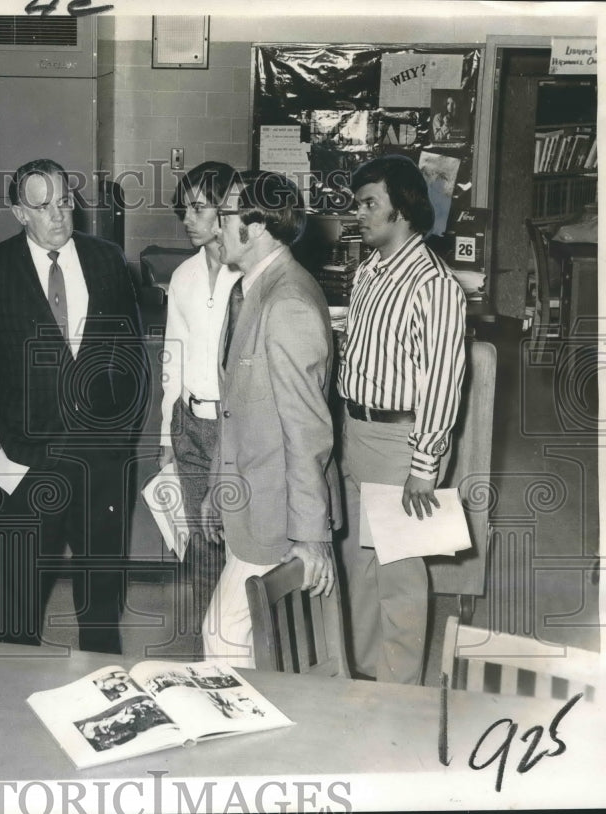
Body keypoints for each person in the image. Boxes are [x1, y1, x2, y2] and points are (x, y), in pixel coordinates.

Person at [0, 158, 149, 654]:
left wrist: (120, 437)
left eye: (64, 202)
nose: (58, 216)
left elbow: (132, 356)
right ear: (19, 213)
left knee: (102, 600)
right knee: (18, 600)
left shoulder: (106, 260)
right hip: (25, 457)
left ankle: (105, 695)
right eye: (42, 206)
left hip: (100, 460)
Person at [201, 171, 340, 668]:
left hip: (279, 509)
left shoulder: (286, 303)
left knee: (223, 635)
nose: (217, 228)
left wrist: (310, 535)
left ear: (256, 226)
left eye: (225, 217)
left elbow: (307, 433)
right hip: (253, 496)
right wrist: (220, 487)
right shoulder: (256, 290)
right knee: (245, 638)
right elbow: (237, 407)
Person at [337, 154, 466, 684]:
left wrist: (424, 465)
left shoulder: (432, 284)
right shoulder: (370, 270)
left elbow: (441, 381)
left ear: (404, 208)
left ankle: (400, 696)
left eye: (370, 204)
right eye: (357, 203)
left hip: (400, 441)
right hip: (357, 430)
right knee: (360, 566)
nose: (358, 214)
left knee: (399, 573)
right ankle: (369, 674)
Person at [158, 161, 242, 656]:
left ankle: (244, 658)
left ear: (227, 203)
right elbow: (174, 354)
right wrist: (166, 437)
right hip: (190, 426)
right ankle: (208, 663)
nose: (187, 219)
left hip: (235, 429)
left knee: (243, 546)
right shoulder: (184, 274)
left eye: (198, 207)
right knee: (201, 550)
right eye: (182, 209)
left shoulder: (248, 273)